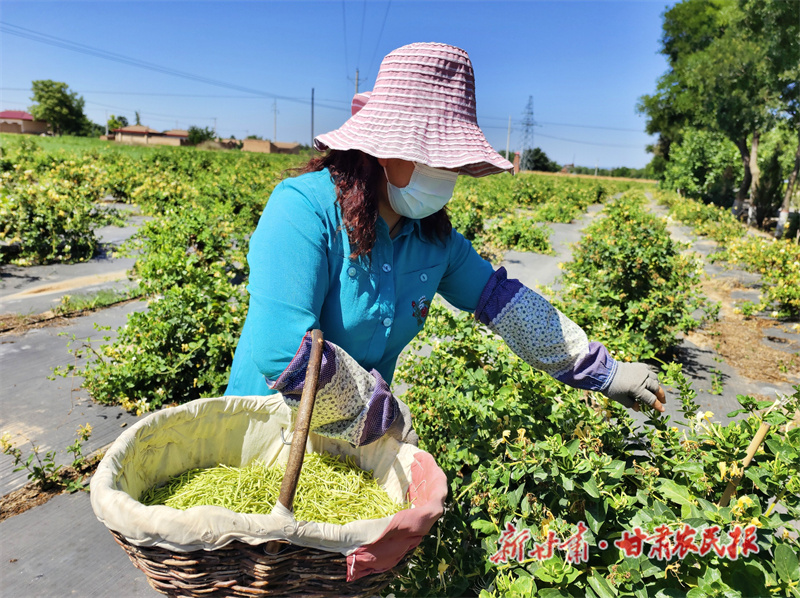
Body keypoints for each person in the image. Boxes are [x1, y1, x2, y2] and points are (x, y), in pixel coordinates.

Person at [224, 42, 665, 446]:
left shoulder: (433, 239)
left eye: (449, 159)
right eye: (427, 154)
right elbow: (283, 352)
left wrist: (603, 371)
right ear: (380, 147)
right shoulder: (302, 210)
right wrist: (380, 417)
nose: (443, 171)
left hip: (347, 449)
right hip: (262, 436)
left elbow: (507, 305)